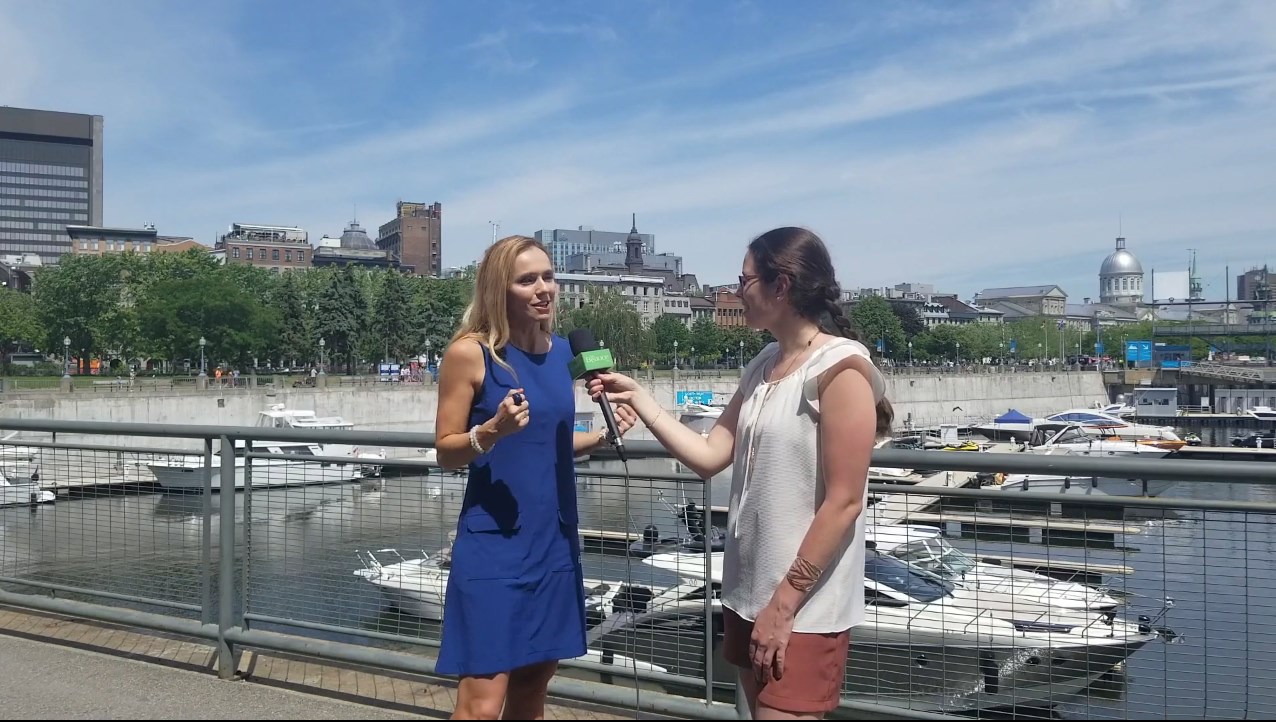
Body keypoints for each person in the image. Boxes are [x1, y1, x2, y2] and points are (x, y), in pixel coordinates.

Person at [588, 227, 891, 720]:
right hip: (749, 595)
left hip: (801, 608)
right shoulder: (765, 363)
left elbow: (845, 502)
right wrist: (640, 398)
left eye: (744, 279)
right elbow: (709, 455)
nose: (735, 291)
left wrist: (785, 605)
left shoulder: (842, 369)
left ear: (781, 285)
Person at [433, 235, 637, 720]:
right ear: (498, 289)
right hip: (494, 545)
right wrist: (490, 432)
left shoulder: (564, 351)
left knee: (533, 691)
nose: (544, 289)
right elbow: (446, 452)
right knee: (481, 703)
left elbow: (545, 441)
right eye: (528, 280)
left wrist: (601, 439)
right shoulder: (470, 353)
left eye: (549, 277)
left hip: (554, 541)